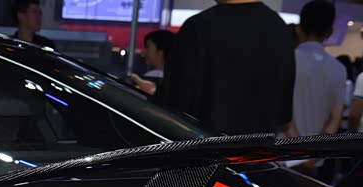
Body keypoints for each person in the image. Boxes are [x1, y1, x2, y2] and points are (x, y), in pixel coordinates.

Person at [161, 0, 295, 134]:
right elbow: (283, 116)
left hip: (205, 143)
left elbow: (175, 107)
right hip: (261, 144)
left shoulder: (197, 27)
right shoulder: (280, 29)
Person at [287, 1, 346, 139]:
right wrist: (314, 148)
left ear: (298, 28)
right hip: (318, 150)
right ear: (330, 32)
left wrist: (299, 147)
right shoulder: (339, 69)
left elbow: (279, 114)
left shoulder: (286, 60)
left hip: (283, 148)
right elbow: (335, 119)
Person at [130, 29, 176, 96]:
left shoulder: (148, 79)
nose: (144, 53)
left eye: (148, 47)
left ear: (160, 50)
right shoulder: (178, 80)